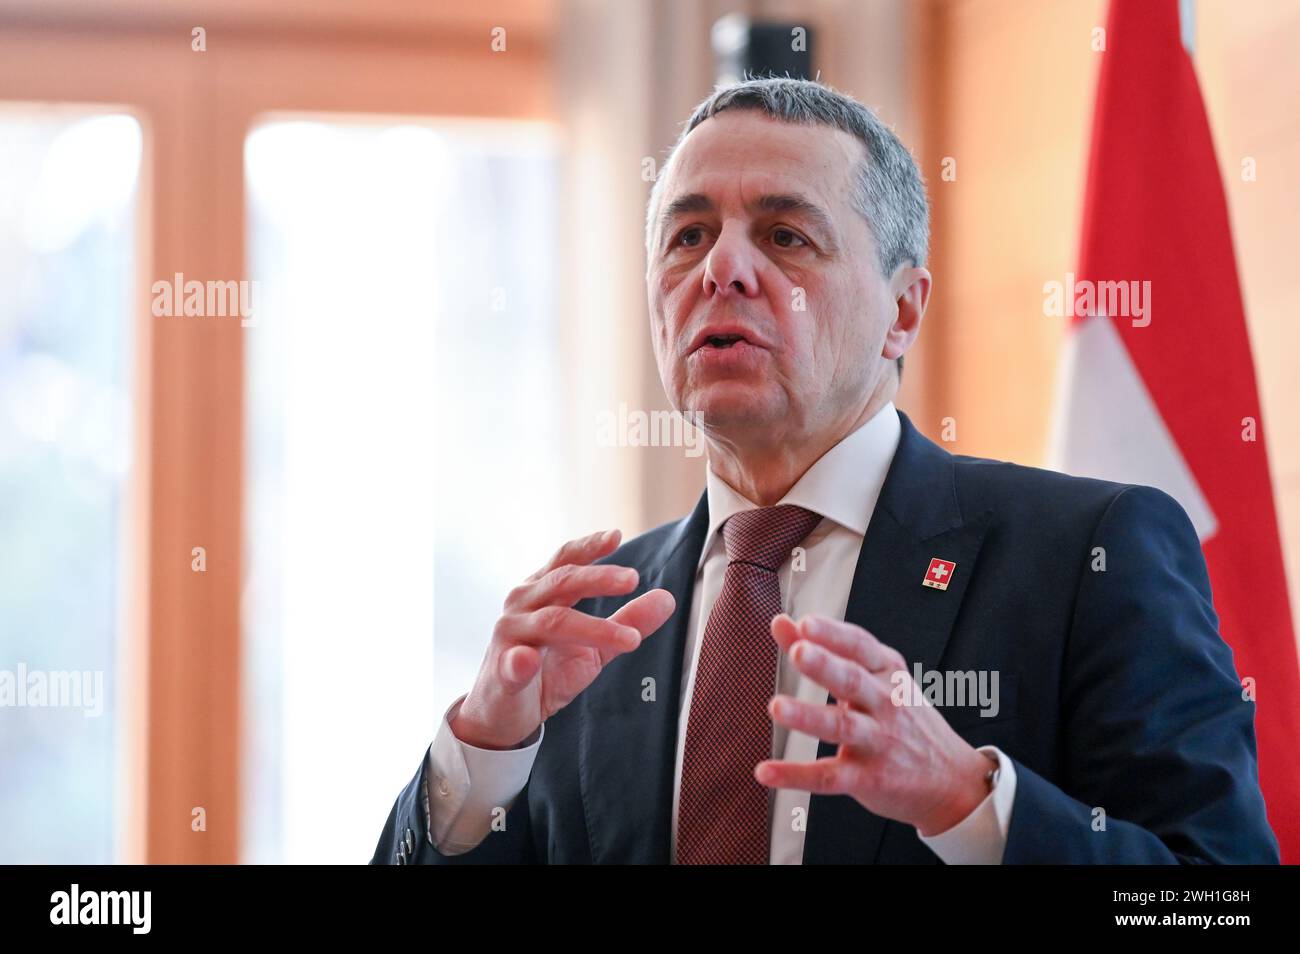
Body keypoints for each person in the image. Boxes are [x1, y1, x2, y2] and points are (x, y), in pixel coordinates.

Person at [372, 77, 1278, 864]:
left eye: (785, 236)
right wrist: (482, 751)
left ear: (902, 312)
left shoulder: (1090, 555)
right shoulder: (593, 625)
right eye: (687, 237)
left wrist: (969, 802)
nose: (723, 269)